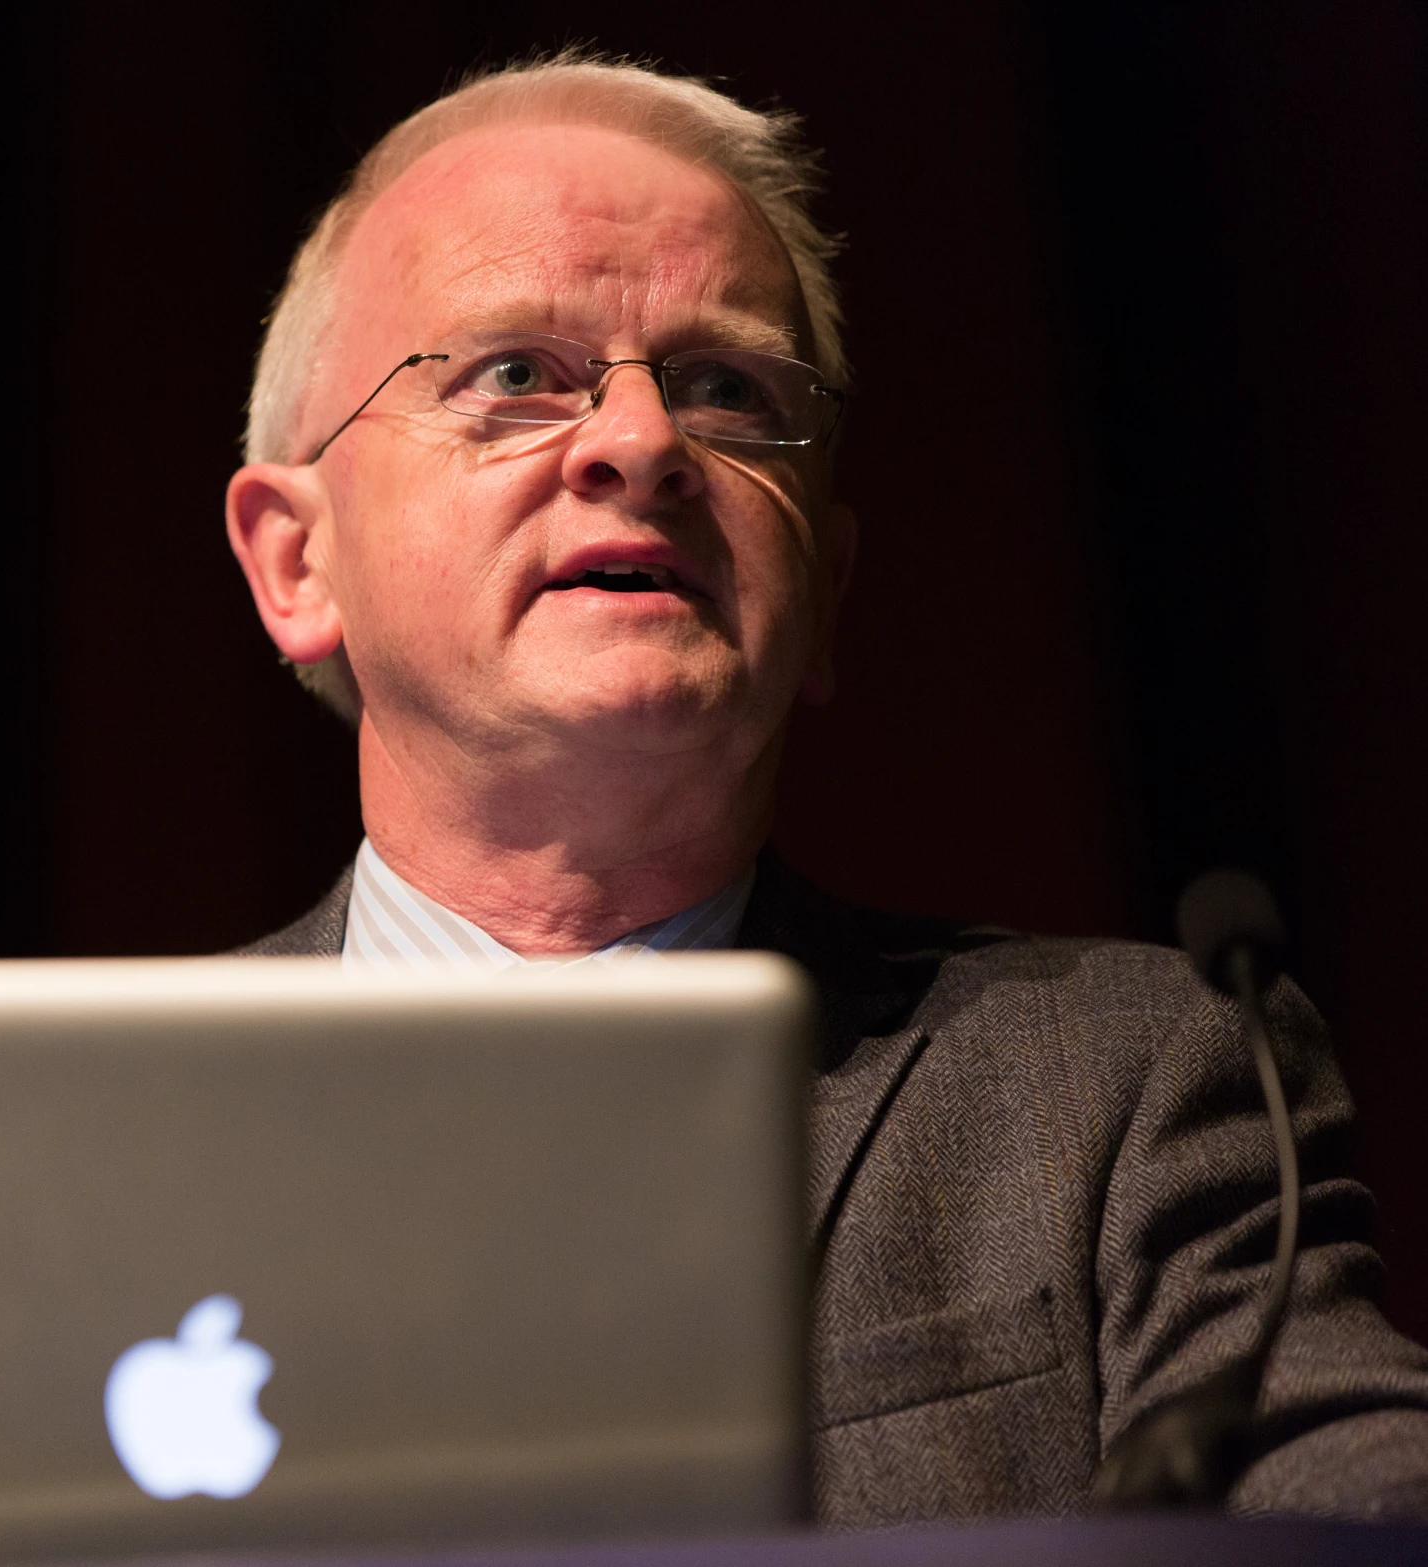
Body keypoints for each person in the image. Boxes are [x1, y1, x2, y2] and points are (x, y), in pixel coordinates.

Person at [221, 53, 1428, 1523]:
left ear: (825, 589)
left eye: (723, 387)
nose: (640, 442)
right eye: (515, 375)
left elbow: (1351, 1503)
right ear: (297, 560)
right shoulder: (72, 1147)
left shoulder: (1116, 1086)